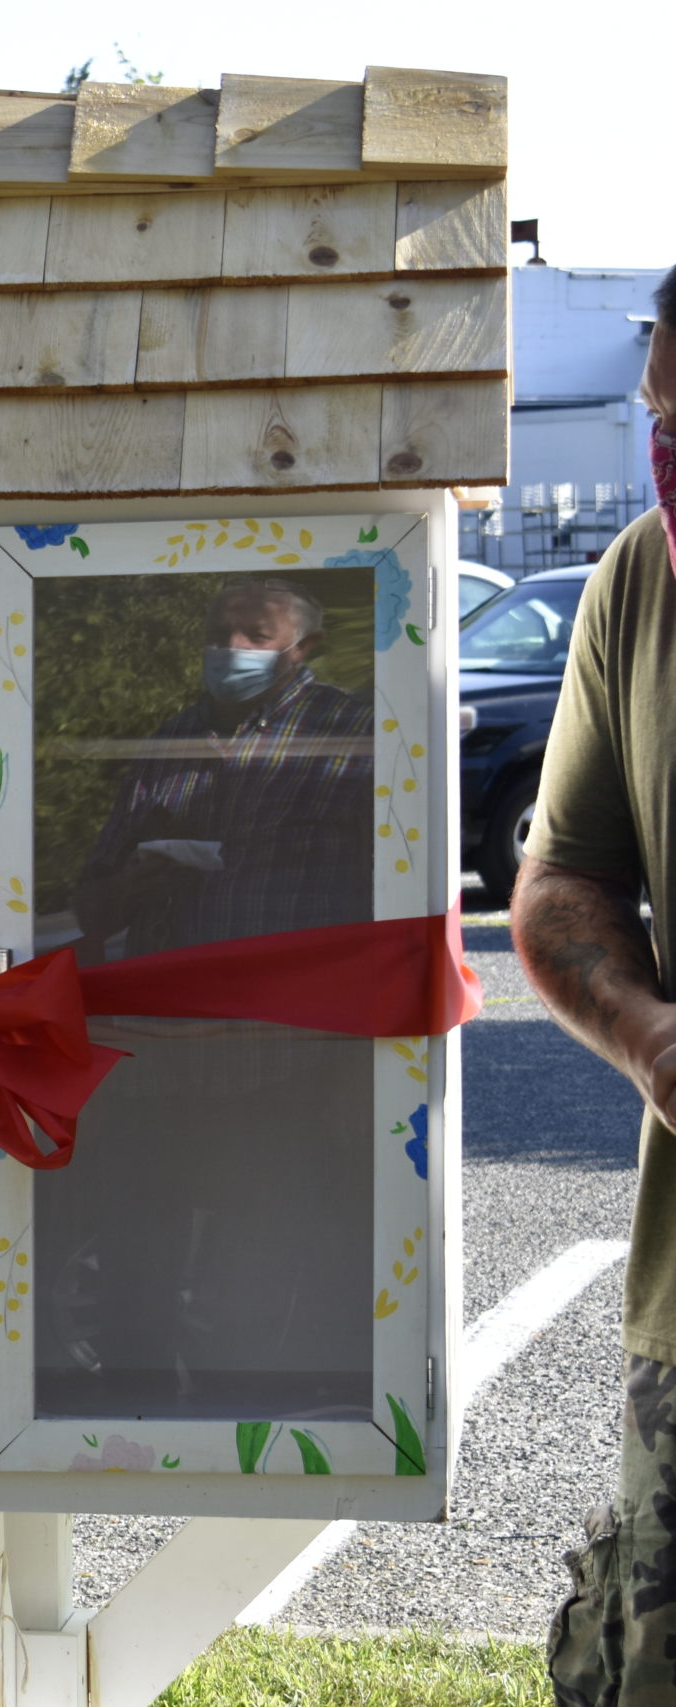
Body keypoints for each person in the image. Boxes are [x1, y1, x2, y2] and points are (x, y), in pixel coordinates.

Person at [514, 267, 676, 1704]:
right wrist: (642, 1031)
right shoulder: (639, 578)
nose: (666, 444)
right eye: (661, 413)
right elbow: (564, 876)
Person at [73, 577, 372, 961]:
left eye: (257, 636)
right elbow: (92, 914)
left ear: (304, 648)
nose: (232, 648)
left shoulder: (352, 731)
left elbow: (399, 885)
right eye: (218, 634)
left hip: (297, 1002)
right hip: (170, 1003)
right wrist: (136, 881)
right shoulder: (172, 739)